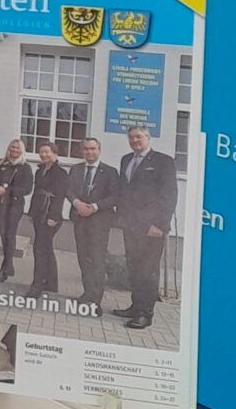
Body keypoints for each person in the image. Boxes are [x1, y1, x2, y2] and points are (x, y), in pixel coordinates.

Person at [116, 123, 177, 330]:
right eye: (132, 137)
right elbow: (125, 190)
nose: (135, 141)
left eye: (139, 137)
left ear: (148, 138)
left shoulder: (163, 161)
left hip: (152, 227)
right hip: (131, 225)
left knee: (148, 271)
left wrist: (160, 224)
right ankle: (135, 306)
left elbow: (169, 195)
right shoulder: (126, 159)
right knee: (134, 268)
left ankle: (145, 314)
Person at [65, 135, 120, 308]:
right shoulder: (76, 169)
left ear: (99, 150)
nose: (89, 152)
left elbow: (115, 196)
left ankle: (95, 300)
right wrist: (77, 203)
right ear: (82, 151)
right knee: (83, 258)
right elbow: (68, 190)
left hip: (99, 221)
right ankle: (87, 293)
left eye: (92, 148)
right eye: (86, 149)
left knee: (97, 259)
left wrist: (95, 206)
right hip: (79, 218)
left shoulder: (110, 172)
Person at [0, 137, 35, 282]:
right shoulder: (1, 163)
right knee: (3, 234)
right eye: (12, 147)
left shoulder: (25, 167)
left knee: (10, 234)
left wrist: (6, 191)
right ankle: (9, 265)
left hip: (15, 205)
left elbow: (27, 189)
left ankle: (5, 269)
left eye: (17, 148)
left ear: (22, 150)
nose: (14, 150)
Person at [27, 139, 68, 295]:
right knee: (46, 248)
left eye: (47, 152)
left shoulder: (61, 173)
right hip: (39, 214)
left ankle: (36, 286)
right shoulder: (40, 171)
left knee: (40, 249)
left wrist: (54, 216)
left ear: (55, 154)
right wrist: (32, 212)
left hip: (51, 216)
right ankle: (52, 283)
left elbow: (60, 197)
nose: (43, 154)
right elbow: (36, 193)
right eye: (41, 152)